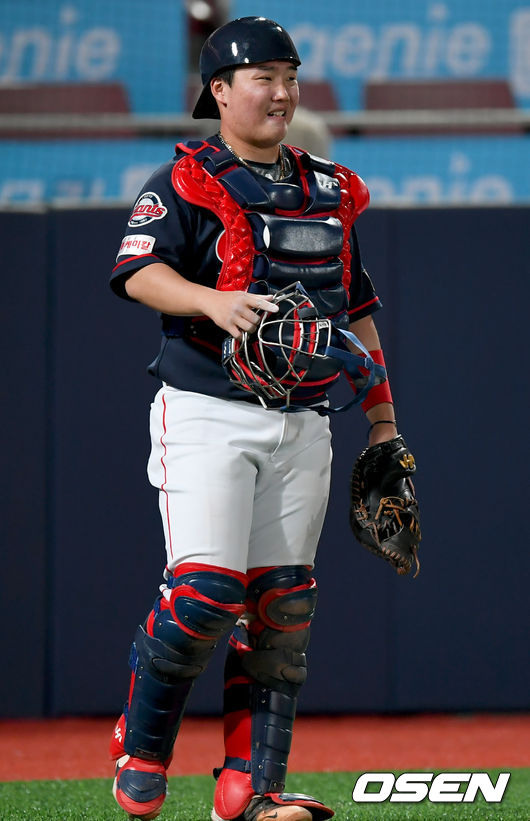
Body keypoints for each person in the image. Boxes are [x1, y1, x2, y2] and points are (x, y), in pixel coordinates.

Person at [108, 16, 398, 821]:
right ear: (220, 92)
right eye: (261, 77)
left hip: (304, 418)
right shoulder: (186, 181)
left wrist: (384, 422)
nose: (280, 91)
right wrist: (211, 298)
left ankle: (255, 789)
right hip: (207, 412)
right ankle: (143, 742)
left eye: (289, 75)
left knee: (283, 607)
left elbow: (358, 313)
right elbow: (137, 272)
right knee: (203, 593)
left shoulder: (327, 190)